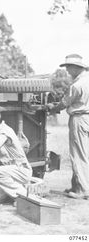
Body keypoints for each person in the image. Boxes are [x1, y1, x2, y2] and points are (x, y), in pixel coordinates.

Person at [47, 54, 89, 200]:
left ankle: (83, 190)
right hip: (86, 118)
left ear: (77, 67)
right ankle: (77, 186)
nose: (68, 71)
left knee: (78, 155)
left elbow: (64, 103)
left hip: (79, 118)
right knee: (84, 153)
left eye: (69, 67)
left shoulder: (77, 85)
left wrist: (52, 108)